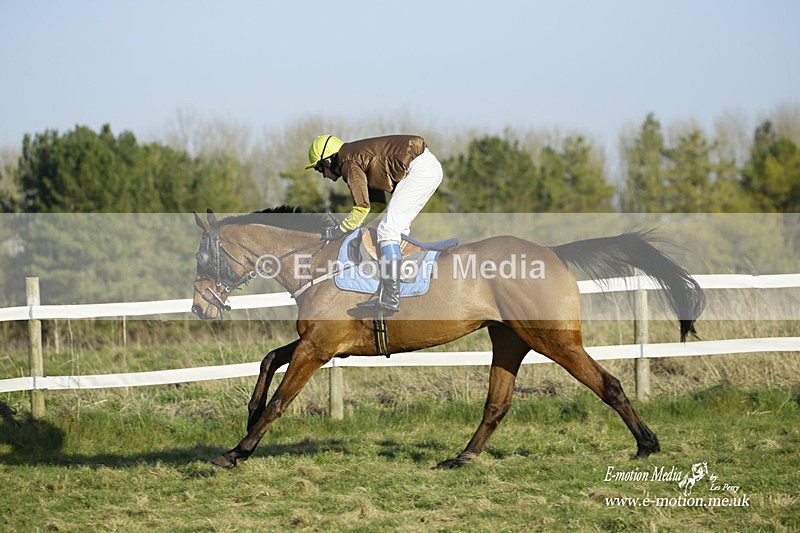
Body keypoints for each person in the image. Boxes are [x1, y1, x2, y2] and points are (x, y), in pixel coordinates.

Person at [306, 134, 443, 313]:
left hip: (419, 170)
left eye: (319, 169)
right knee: (396, 230)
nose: (323, 175)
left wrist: (339, 230)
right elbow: (376, 205)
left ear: (328, 160)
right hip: (424, 167)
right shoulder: (357, 157)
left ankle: (390, 297)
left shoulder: (348, 162)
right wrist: (351, 226)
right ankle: (399, 289)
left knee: (387, 231)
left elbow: (361, 207)